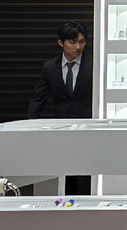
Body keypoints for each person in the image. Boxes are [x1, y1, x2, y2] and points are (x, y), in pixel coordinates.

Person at [27, 21, 93, 195]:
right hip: (61, 129)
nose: (78, 47)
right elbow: (38, 98)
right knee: (65, 174)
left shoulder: (94, 64)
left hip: (89, 128)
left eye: (82, 42)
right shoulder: (50, 67)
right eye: (72, 42)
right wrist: (29, 126)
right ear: (60, 43)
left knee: (86, 175)